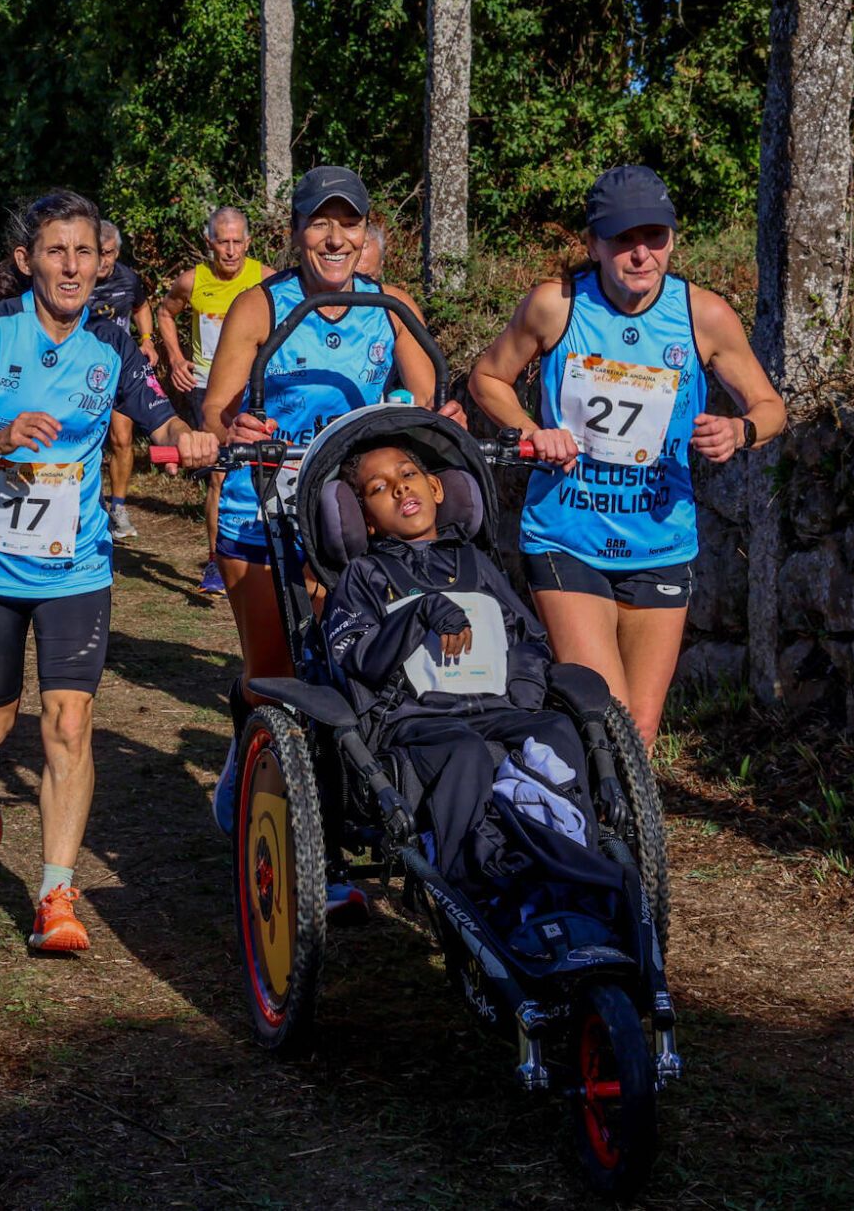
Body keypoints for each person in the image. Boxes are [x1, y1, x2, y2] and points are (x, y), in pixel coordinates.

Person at [0, 189, 218, 953]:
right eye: (56, 250)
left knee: (69, 723)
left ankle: (54, 893)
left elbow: (158, 413)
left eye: (85, 251)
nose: (73, 265)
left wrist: (192, 436)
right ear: (27, 261)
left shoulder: (112, 342)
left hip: (74, 565)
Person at [203, 166, 460, 915]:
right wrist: (234, 426)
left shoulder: (391, 307)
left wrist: (433, 424)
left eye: (348, 224)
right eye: (321, 224)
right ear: (296, 233)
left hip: (343, 520)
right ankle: (251, 788)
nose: (335, 238)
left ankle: (330, 821)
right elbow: (217, 407)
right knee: (277, 670)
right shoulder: (261, 305)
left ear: (369, 233)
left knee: (343, 668)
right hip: (263, 511)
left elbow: (433, 402)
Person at [468, 164, 786, 752]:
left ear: (672, 239)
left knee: (638, 732)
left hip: (660, 541)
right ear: (592, 244)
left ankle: (612, 835)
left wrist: (740, 431)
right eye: (622, 239)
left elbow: (771, 406)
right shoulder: (555, 306)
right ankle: (583, 831)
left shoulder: (704, 315)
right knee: (607, 716)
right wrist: (532, 432)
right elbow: (487, 377)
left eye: (654, 237)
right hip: (566, 533)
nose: (640, 254)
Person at [323, 439, 596, 885]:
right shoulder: (365, 576)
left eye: (407, 475)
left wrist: (523, 697)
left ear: (436, 488)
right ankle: (469, 881)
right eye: (378, 487)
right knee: (466, 751)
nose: (398, 489)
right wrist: (422, 610)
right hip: (416, 719)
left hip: (498, 709)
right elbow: (359, 658)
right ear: (366, 521)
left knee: (553, 729)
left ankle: (574, 864)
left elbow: (527, 639)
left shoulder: (476, 563)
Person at [155, 206, 271, 597]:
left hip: (255, 389)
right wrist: (175, 357)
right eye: (223, 241)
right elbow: (165, 313)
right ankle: (215, 561)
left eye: (239, 241)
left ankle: (264, 551)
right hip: (210, 390)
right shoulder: (192, 281)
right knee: (220, 474)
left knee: (265, 470)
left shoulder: (267, 279)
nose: (232, 250)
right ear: (210, 243)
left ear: (249, 242)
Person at [88, 220, 155, 541]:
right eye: (96, 252)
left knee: (122, 440)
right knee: (85, 441)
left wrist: (147, 339)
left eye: (109, 253)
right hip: (79, 374)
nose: (102, 261)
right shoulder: (76, 278)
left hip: (118, 371)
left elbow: (142, 307)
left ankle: (118, 507)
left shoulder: (128, 279)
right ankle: (86, 505)